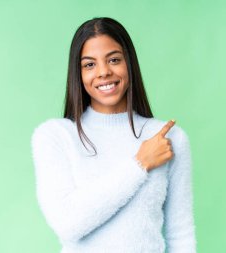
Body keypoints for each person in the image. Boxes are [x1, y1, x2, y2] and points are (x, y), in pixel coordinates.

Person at [30, 17, 196, 253]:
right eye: (89, 65)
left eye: (114, 60)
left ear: (129, 64)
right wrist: (139, 164)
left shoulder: (168, 139)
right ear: (77, 73)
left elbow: (180, 235)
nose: (104, 72)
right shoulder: (56, 136)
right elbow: (67, 224)